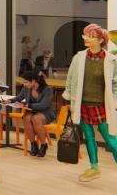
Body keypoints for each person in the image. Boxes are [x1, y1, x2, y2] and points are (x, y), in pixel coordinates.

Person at [63, 23, 117, 183]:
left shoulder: (111, 60)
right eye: (86, 35)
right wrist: (69, 98)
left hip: (102, 106)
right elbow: (70, 79)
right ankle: (94, 168)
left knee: (111, 140)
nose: (86, 38)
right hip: (82, 105)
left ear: (100, 40)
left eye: (91, 36)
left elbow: (115, 84)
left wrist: (114, 102)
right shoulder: (78, 58)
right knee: (89, 137)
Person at [8, 71, 55, 157]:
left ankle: (43, 145)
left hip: (45, 112)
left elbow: (43, 105)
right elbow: (19, 97)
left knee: (35, 119)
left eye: (26, 82)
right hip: (31, 111)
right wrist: (10, 101)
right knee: (26, 119)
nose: (24, 84)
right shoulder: (26, 88)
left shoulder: (47, 89)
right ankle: (33, 144)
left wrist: (27, 105)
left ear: (33, 81)